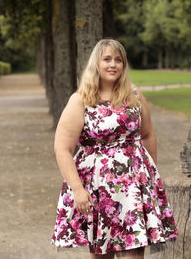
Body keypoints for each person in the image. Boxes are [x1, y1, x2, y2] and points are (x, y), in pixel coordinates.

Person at [51, 39, 178, 259]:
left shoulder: (134, 96)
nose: (113, 65)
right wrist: (78, 190)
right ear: (96, 64)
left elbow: (147, 135)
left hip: (133, 189)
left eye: (118, 60)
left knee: (134, 254)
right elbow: (62, 148)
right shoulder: (81, 100)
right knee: (102, 255)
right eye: (107, 59)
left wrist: (149, 179)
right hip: (97, 190)